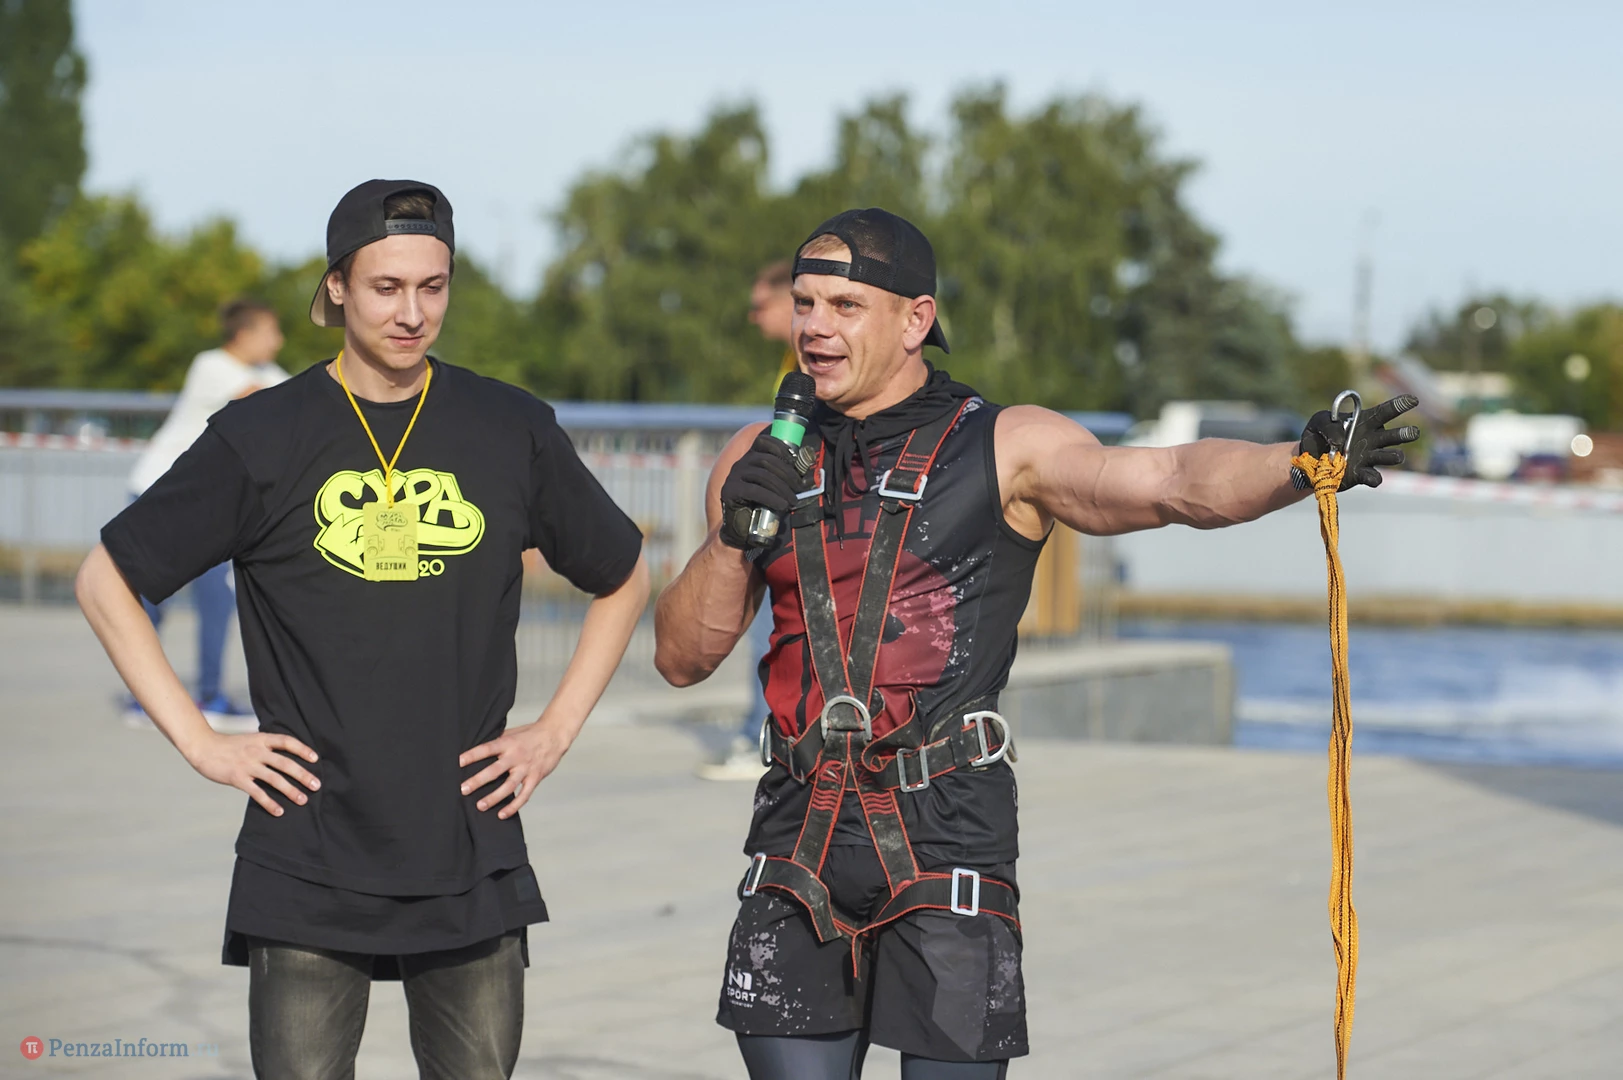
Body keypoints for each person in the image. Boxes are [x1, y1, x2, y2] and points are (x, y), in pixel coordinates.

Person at [653, 207, 1419, 1079]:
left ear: (914, 319)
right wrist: (731, 537)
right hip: (798, 830)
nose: (814, 327)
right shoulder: (758, 455)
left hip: (944, 829)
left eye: (844, 305)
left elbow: (1165, 481)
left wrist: (1297, 462)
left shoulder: (1004, 443)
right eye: (803, 303)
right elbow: (680, 659)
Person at [76, 179, 650, 1080]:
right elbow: (104, 581)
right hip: (305, 850)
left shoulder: (510, 428)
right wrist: (201, 741)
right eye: (386, 287)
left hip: (468, 844)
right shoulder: (261, 435)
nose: (412, 313)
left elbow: (623, 575)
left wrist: (553, 732)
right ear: (338, 286)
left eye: (433, 286)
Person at [123, 297, 289, 732]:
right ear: (244, 334)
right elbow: (261, 398)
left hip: (209, 505)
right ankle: (142, 701)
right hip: (158, 494)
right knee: (150, 600)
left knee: (217, 599)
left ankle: (211, 696)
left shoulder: (270, 372)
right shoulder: (211, 365)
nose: (279, 341)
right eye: (272, 332)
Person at [698, 259, 799, 781]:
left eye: (761, 305)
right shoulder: (792, 357)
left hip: (789, 519)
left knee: (769, 628)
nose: (753, 316)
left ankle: (764, 739)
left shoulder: (810, 356)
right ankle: (761, 733)